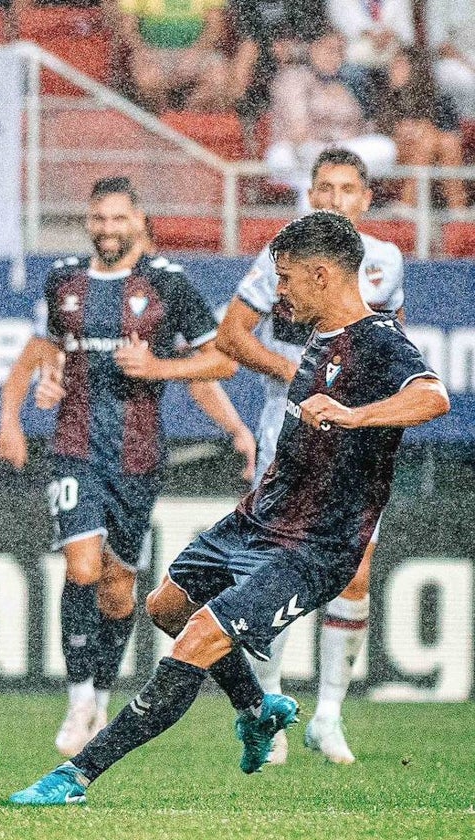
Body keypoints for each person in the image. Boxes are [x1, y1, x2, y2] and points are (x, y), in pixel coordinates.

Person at [11, 209, 450, 806]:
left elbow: (432, 397)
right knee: (166, 606)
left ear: (322, 276)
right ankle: (254, 708)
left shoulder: (379, 341)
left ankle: (75, 776)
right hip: (260, 518)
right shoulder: (319, 341)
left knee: (197, 641)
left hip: (317, 544)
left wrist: (355, 415)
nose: (281, 291)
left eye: (288, 279)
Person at [0, 177, 238, 757]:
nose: (107, 229)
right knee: (81, 568)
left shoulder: (169, 284)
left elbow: (221, 360)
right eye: (98, 219)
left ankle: (101, 695)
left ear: (139, 219)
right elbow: (43, 351)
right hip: (73, 448)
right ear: (88, 221)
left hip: (138, 457)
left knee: (119, 593)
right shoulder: (64, 279)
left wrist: (160, 372)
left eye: (117, 219)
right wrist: (19, 410)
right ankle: (79, 699)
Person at [216, 147, 404, 765]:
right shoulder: (283, 258)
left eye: (347, 188)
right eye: (323, 187)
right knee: (279, 569)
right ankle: (269, 708)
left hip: (357, 444)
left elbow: (390, 344)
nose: (333, 199)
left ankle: (328, 716)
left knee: (354, 572)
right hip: (291, 434)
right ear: (310, 192)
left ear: (365, 198)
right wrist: (300, 372)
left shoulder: (386, 261)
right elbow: (231, 335)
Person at [264, 29, 397, 209]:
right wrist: (331, 138)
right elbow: (298, 131)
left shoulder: (345, 83)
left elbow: (360, 129)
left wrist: (335, 143)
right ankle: (322, 197)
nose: (335, 56)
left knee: (385, 148)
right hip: (297, 153)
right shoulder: (293, 77)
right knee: (284, 157)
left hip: (333, 152)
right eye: (330, 50)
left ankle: (324, 187)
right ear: (313, 49)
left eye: (340, 51)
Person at [375, 46, 468, 212]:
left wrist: (422, 130)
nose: (392, 70)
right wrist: (403, 132)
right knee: (429, 136)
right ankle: (457, 208)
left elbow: (454, 138)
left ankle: (452, 209)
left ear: (415, 70)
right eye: (393, 65)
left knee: (446, 141)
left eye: (400, 65)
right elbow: (379, 138)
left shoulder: (439, 100)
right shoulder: (384, 96)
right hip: (395, 161)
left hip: (432, 163)